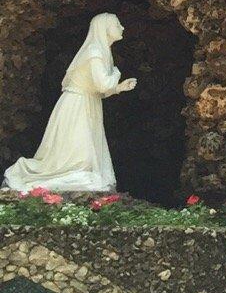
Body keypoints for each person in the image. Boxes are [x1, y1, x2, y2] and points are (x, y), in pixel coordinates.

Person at [4, 13, 137, 194]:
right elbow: (103, 83)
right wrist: (116, 74)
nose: (122, 27)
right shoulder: (95, 53)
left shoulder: (100, 52)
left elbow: (99, 90)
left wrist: (119, 88)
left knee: (83, 152)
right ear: (105, 29)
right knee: (79, 156)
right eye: (117, 24)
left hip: (86, 102)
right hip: (77, 106)